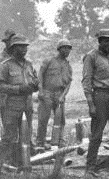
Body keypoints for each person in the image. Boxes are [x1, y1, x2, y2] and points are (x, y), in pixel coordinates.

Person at [82, 29, 109, 176]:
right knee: (96, 135)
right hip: (99, 97)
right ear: (99, 41)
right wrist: (91, 104)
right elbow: (86, 81)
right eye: (106, 40)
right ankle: (90, 168)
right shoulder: (91, 57)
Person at [0, 34, 39, 170]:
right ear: (13, 48)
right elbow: (1, 86)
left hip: (27, 106)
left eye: (25, 47)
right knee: (9, 137)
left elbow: (35, 80)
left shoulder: (29, 64)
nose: (24, 49)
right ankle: (2, 165)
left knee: (25, 136)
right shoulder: (5, 66)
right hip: (12, 106)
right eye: (20, 47)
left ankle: (22, 164)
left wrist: (35, 85)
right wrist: (18, 89)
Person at [36, 39, 73, 149]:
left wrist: (63, 96)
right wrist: (41, 91)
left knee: (61, 120)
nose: (67, 50)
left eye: (69, 48)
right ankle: (40, 143)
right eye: (64, 48)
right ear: (59, 49)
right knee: (43, 119)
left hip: (59, 95)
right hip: (47, 93)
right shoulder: (49, 61)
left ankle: (57, 141)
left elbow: (68, 83)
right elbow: (40, 75)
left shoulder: (68, 66)